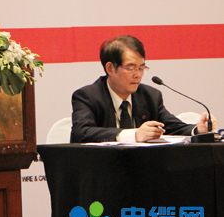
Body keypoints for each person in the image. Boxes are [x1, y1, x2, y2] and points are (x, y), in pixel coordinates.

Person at [70, 35, 217, 143]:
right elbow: (83, 132)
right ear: (110, 68)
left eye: (141, 68)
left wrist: (198, 130)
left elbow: (171, 126)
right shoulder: (87, 96)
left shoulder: (150, 96)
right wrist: (133, 135)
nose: (138, 75)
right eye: (130, 68)